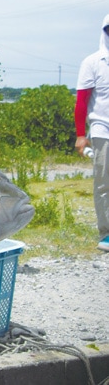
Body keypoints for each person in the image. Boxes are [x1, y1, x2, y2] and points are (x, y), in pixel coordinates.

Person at [74, 13, 109, 252]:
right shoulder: (93, 62)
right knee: (104, 183)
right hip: (102, 129)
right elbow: (82, 102)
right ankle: (106, 233)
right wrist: (80, 134)